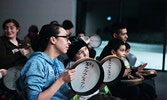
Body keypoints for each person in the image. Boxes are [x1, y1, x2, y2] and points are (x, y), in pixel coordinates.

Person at [19, 24, 75, 100]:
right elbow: (33, 98)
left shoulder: (58, 63)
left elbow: (63, 95)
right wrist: (61, 80)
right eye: (66, 38)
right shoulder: (36, 62)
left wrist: (78, 88)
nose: (69, 42)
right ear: (53, 39)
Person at [0, 18, 32, 100]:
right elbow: (2, 61)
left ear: (17, 29)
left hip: (21, 79)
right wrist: (19, 54)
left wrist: (29, 53)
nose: (9, 30)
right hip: (7, 80)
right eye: (6, 28)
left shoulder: (23, 43)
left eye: (11, 28)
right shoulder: (2, 41)